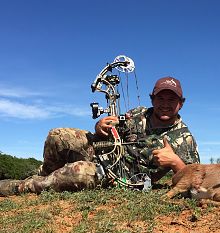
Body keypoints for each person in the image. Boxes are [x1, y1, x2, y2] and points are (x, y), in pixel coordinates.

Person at [0, 76, 200, 196]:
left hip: (117, 176)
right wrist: (100, 126)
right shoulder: (139, 112)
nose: (165, 103)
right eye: (160, 98)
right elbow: (112, 129)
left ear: (181, 103)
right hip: (101, 151)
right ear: (152, 99)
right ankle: (44, 178)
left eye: (171, 99)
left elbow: (196, 180)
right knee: (58, 136)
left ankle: (16, 187)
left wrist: (175, 163)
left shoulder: (185, 137)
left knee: (78, 172)